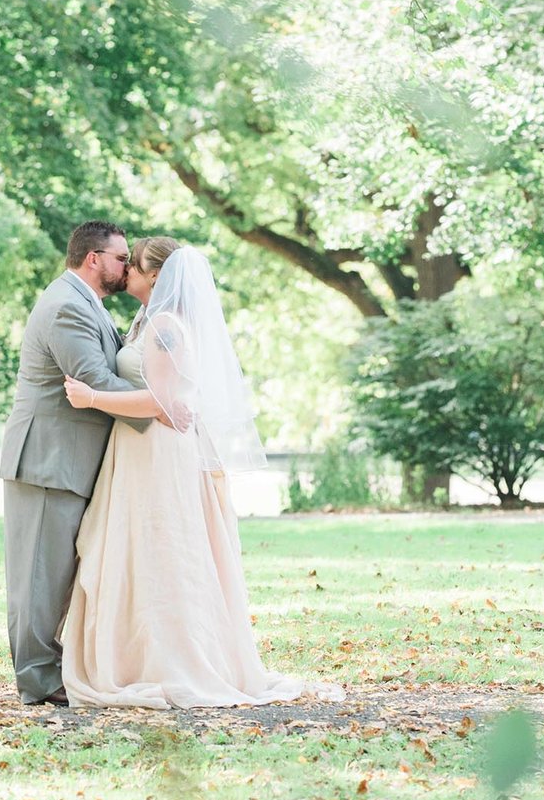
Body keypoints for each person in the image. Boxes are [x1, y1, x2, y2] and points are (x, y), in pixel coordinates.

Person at [58, 239, 339, 707]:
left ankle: (171, 659)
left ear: (156, 276)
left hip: (158, 455)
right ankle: (135, 655)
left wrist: (93, 398)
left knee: (161, 552)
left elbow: (162, 404)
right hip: (136, 451)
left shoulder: (166, 326)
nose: (125, 271)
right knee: (139, 552)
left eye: (134, 265)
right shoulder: (148, 320)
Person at [0, 219, 132, 705]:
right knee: (37, 577)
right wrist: (162, 405)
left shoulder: (84, 303)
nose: (128, 266)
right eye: (122, 258)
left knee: (55, 576)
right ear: (93, 259)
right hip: (47, 460)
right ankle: (36, 680)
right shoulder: (66, 307)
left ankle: (53, 671)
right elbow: (94, 379)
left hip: (68, 461)